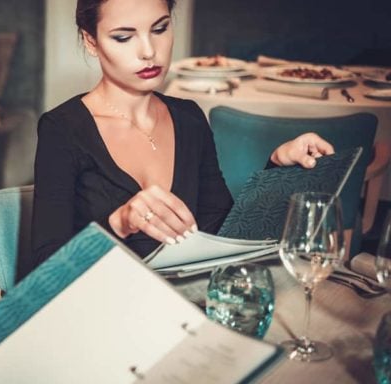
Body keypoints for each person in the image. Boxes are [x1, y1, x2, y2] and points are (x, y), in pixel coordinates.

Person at [31, 0, 334, 265]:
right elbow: (45, 267)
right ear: (91, 41)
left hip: (189, 305)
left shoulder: (189, 117)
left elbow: (221, 233)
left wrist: (277, 169)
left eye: (160, 29)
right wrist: (119, 224)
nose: (149, 51)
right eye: (123, 37)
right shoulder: (62, 129)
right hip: (110, 309)